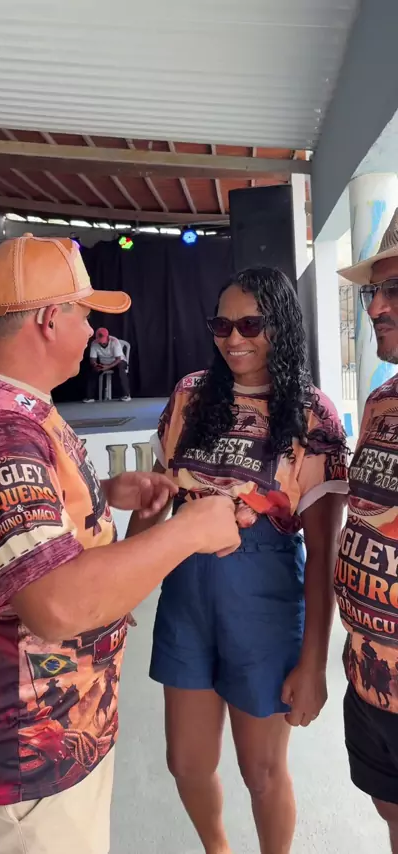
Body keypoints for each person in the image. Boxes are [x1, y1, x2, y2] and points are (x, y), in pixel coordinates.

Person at [0, 233, 241, 854]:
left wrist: (106, 499)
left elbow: (18, 539)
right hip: (30, 748)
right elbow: (56, 603)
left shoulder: (6, 405)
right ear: (48, 319)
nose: (93, 331)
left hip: (51, 731)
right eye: (84, 313)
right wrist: (190, 530)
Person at [127, 267, 348, 854]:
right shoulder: (191, 394)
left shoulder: (313, 413)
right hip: (186, 594)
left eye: (250, 324)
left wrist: (314, 663)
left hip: (264, 600)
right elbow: (157, 496)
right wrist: (121, 582)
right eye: (221, 325)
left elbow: (322, 553)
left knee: (263, 772)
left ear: (281, 325)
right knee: (185, 763)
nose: (234, 338)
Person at [337, 208, 398, 852]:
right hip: (370, 677)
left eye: (394, 290)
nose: (376, 306)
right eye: (373, 291)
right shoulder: (381, 402)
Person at [84, 327, 131, 402]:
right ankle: (90, 397)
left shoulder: (114, 341)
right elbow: (92, 359)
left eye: (104, 341)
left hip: (118, 362)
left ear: (108, 337)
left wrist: (107, 367)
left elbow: (118, 359)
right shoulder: (94, 343)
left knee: (120, 368)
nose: (102, 343)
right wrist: (95, 365)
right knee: (92, 370)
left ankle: (126, 395)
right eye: (100, 341)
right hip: (104, 364)